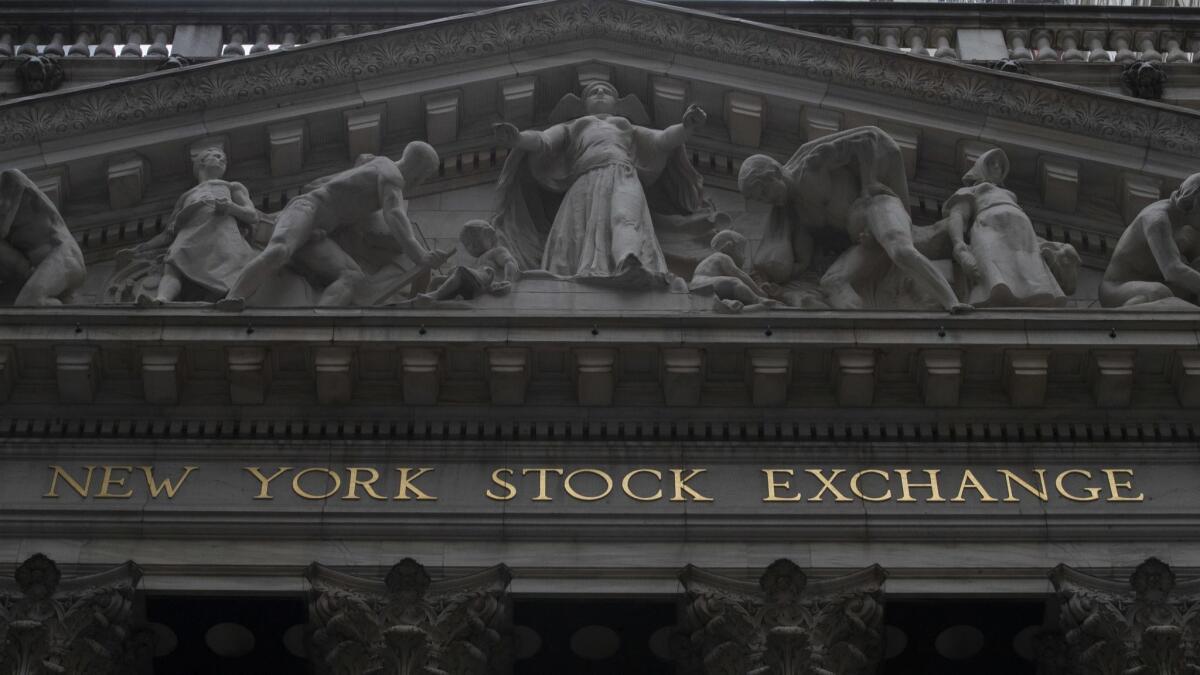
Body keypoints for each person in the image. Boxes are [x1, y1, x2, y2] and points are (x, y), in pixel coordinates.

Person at [493, 81, 711, 286]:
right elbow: (543, 140)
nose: (599, 93)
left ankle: (628, 260)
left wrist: (686, 127)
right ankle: (579, 270)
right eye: (593, 92)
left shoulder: (624, 125)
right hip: (585, 181)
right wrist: (518, 139)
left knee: (626, 217)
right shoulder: (575, 125)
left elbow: (662, 140)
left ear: (617, 104)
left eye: (606, 91)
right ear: (583, 104)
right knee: (577, 231)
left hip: (622, 174)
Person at [738, 126, 970, 313]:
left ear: (775, 173)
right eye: (760, 199)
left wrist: (869, 183)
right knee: (831, 282)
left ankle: (952, 302)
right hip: (863, 239)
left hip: (876, 207)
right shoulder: (796, 213)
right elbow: (804, 256)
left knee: (900, 250)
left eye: (764, 192)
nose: (768, 201)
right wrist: (776, 287)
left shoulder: (811, 164)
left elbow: (867, 138)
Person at [220, 141, 448, 309]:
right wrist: (420, 256)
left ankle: (320, 321)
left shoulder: (376, 167)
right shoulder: (391, 174)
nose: (420, 183)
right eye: (424, 176)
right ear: (418, 169)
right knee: (280, 250)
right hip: (307, 210)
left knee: (353, 277)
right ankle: (232, 298)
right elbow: (395, 214)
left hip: (319, 234)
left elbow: (322, 184)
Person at [941, 148, 1077, 307]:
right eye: (992, 163)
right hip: (990, 228)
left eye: (1000, 165)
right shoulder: (973, 189)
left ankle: (1033, 297)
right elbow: (958, 215)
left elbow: (1029, 234)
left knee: (1030, 276)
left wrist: (1049, 245)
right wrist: (959, 246)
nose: (997, 167)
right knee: (996, 273)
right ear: (981, 167)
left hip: (1022, 236)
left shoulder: (1009, 195)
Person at [123, 147, 259, 304]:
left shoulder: (232, 186)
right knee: (173, 264)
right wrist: (142, 248)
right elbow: (168, 233)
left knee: (227, 269)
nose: (221, 160)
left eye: (224, 159)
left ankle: (230, 298)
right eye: (216, 156)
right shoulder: (186, 196)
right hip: (189, 234)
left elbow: (252, 215)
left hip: (221, 233)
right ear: (201, 161)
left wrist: (229, 207)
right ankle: (162, 299)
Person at [1100, 172, 1200, 308]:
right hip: (1118, 288)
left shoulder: (1186, 225)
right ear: (1195, 205)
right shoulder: (1157, 220)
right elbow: (1172, 270)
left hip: (1160, 284)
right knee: (1158, 293)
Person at [0, 169, 85, 305]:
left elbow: (2, 223)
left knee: (30, 302)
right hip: (34, 273)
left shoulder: (11, 178)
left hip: (64, 257)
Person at [414, 220, 519, 305]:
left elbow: (509, 262)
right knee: (437, 280)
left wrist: (508, 280)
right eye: (468, 244)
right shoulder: (477, 261)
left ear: (488, 236)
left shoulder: (497, 251)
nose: (472, 246)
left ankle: (436, 295)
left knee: (461, 270)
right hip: (475, 284)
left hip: (488, 282)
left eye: (476, 241)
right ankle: (426, 302)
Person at [689, 230, 781, 313]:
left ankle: (731, 304)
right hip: (705, 283)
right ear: (729, 246)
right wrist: (759, 292)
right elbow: (739, 274)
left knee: (730, 286)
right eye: (742, 250)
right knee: (735, 281)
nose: (745, 257)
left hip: (697, 286)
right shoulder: (722, 256)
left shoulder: (710, 261)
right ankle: (757, 300)